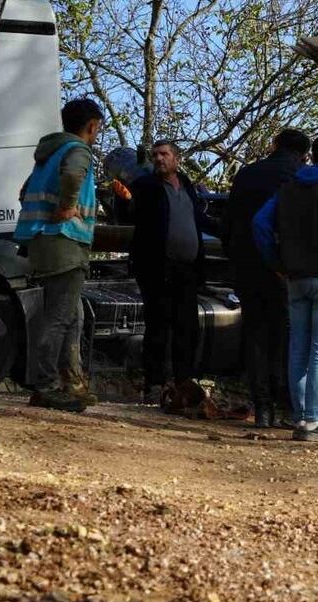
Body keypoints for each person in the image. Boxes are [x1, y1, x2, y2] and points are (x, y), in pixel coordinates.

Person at [252, 134, 318, 442]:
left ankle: (300, 417)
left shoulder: (288, 188)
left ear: (311, 157)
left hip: (295, 278)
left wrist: (276, 263)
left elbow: (260, 223)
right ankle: (314, 421)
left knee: (298, 347)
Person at [12, 98, 105, 412]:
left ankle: (71, 384)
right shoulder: (77, 151)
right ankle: (47, 385)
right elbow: (74, 175)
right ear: (91, 126)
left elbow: (24, 193)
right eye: (97, 130)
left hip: (42, 241)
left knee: (72, 314)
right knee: (60, 317)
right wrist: (67, 207)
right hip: (65, 241)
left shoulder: (47, 155)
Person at [223, 128, 310, 428]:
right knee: (289, 334)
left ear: (274, 145)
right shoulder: (301, 177)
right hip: (286, 266)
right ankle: (288, 405)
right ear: (305, 154)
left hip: (246, 262)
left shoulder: (247, 174)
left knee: (256, 332)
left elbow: (229, 221)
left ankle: (263, 409)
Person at [129, 140, 213, 407]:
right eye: (155, 155)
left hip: (187, 270)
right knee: (157, 329)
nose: (159, 159)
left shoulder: (188, 187)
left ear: (177, 158)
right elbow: (130, 215)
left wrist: (232, 229)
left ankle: (183, 385)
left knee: (186, 329)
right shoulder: (145, 187)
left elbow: (198, 219)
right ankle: (154, 386)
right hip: (157, 269)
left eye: (164, 154)